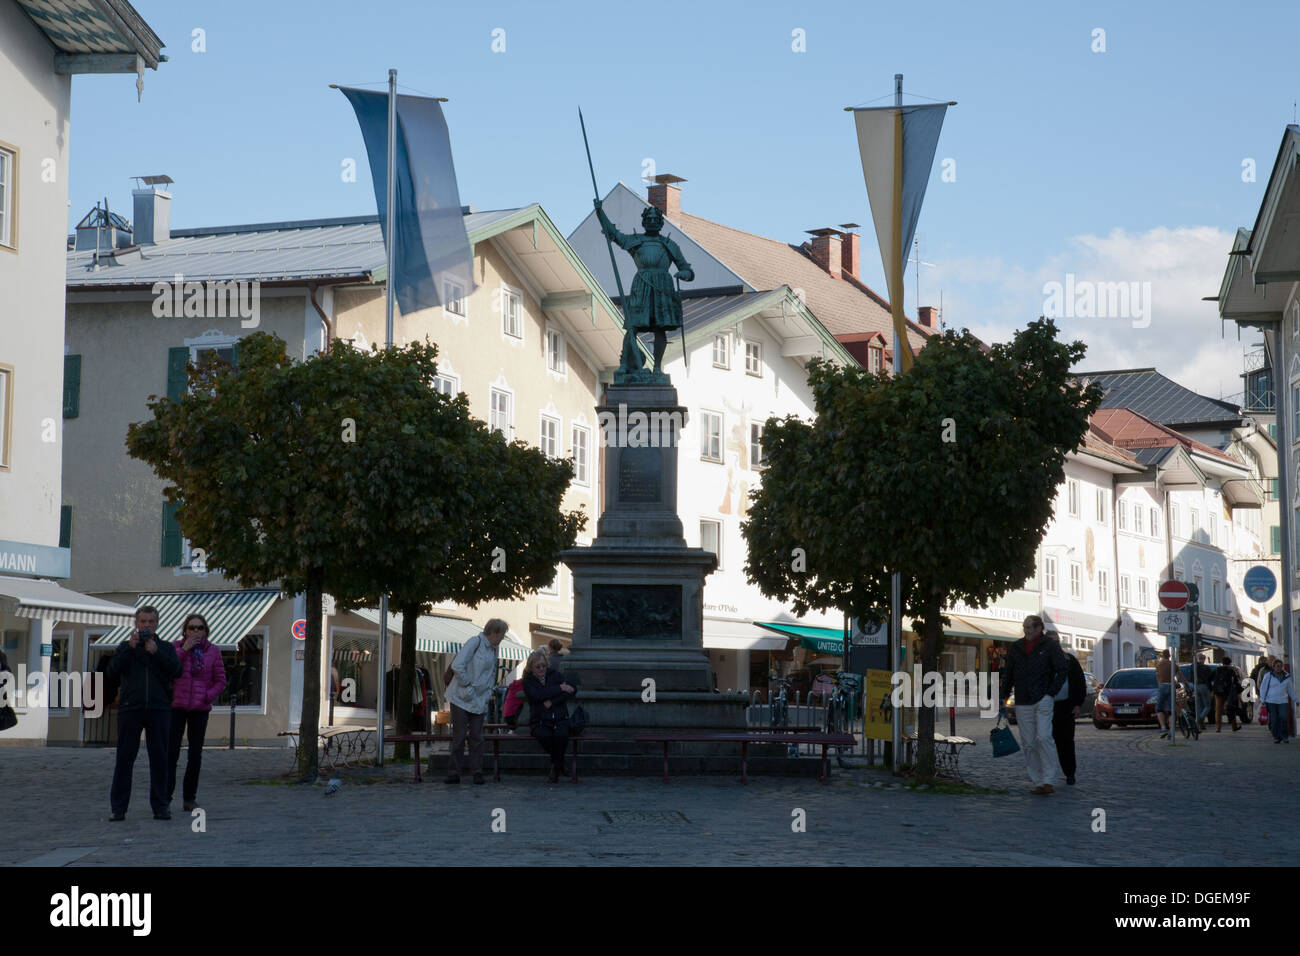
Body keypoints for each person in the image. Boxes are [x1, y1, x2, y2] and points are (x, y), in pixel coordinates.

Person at [593, 198, 694, 373]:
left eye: (656, 220)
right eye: (649, 219)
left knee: (659, 328)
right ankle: (624, 364)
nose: (653, 222)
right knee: (633, 326)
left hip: (663, 288)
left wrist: (683, 274)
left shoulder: (670, 245)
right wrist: (600, 213)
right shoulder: (636, 240)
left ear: (661, 223)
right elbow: (614, 234)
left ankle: (657, 367)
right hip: (642, 286)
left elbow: (687, 269)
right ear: (644, 222)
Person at [107, 606, 181, 820]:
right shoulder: (125, 647)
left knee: (160, 759)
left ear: (157, 624)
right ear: (136, 623)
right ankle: (118, 808)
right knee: (124, 758)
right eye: (143, 621)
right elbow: (111, 673)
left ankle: (161, 806)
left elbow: (177, 671)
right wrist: (131, 649)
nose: (147, 625)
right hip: (131, 708)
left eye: (151, 622)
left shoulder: (165, 647)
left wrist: (155, 652)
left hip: (159, 708)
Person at [999, 615, 1068, 795]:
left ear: (1039, 628)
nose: (1026, 630)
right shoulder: (1016, 647)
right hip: (1022, 700)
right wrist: (1004, 695)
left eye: (1029, 627)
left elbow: (1062, 670)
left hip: (1043, 698)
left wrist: (1050, 692)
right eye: (1024, 627)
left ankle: (1049, 780)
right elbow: (1009, 672)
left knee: (1044, 737)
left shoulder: (1050, 646)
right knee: (1028, 743)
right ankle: (1038, 781)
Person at [167, 613, 227, 812]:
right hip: (176, 706)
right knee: (171, 753)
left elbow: (221, 681)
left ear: (206, 630)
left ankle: (189, 798)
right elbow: (168, 670)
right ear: (185, 630)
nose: (196, 631)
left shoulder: (213, 651)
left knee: (195, 755)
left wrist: (207, 696)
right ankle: (165, 797)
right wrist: (185, 649)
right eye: (191, 627)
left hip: (199, 709)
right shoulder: (175, 647)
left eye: (200, 628)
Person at [444, 619, 507, 784]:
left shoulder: (494, 649)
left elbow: (491, 673)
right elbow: (457, 665)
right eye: (502, 634)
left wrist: (487, 693)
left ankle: (476, 771)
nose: (502, 637)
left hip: (479, 699)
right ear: (494, 632)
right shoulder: (475, 642)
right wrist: (467, 685)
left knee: (477, 737)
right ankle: (454, 772)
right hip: (461, 697)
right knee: (459, 736)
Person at [523, 650, 577, 783]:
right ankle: (560, 764)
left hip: (559, 717)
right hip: (540, 719)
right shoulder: (528, 681)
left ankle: (555, 767)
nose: (542, 669)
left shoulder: (555, 675)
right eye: (538, 666)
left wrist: (553, 701)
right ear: (531, 667)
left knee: (561, 736)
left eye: (543, 665)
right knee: (545, 736)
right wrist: (559, 688)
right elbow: (537, 695)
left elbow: (572, 690)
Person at [1052, 644, 1087, 785]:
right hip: (1047, 705)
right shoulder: (1042, 659)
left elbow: (1079, 682)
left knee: (1066, 742)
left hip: (1066, 706)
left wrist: (1077, 704)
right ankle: (1047, 776)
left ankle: (1070, 773)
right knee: (1045, 741)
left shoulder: (1069, 660)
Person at [1259, 658, 1296, 743]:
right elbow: (1263, 688)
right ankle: (1276, 736)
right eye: (1277, 666)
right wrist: (1262, 699)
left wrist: (1295, 699)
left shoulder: (1286, 676)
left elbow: (1290, 689)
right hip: (1271, 701)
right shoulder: (1268, 675)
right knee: (1274, 719)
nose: (1278, 668)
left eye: (1280, 666)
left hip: (1282, 701)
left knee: (1283, 717)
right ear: (1274, 667)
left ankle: (1284, 736)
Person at [1212, 655, 1242, 732]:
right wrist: (1239, 692)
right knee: (1231, 708)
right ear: (1230, 663)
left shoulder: (1217, 670)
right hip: (1229, 692)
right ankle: (1234, 726)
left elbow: (1209, 679)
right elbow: (1236, 682)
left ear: (1222, 663)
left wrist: (1212, 689)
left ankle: (1218, 728)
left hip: (1218, 692)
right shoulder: (1231, 670)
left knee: (1218, 710)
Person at [1154, 649, 1175, 738]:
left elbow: (1157, 676)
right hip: (1171, 686)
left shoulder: (1159, 665)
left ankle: (1163, 727)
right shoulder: (1173, 664)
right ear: (1169, 655)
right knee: (1170, 710)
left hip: (1162, 686)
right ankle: (1171, 729)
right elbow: (1180, 676)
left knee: (1159, 708)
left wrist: (1160, 685)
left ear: (1162, 655)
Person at [1192, 654, 1213, 731]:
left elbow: (1191, 677)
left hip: (1195, 686)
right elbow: (1210, 679)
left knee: (1199, 706)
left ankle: (1200, 725)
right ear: (1204, 659)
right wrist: (1211, 689)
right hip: (1204, 686)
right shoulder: (1206, 668)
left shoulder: (1193, 667)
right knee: (1207, 706)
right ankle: (1200, 719)